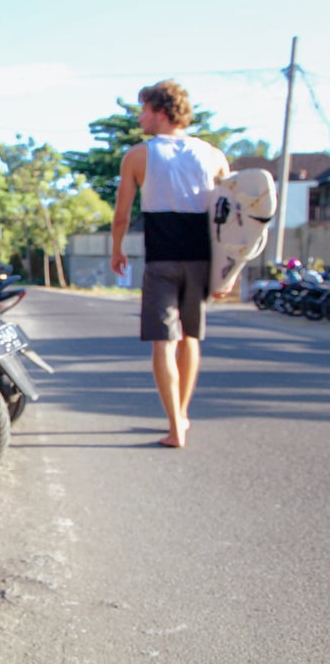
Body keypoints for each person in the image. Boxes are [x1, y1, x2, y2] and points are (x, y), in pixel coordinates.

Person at [110, 79, 230, 448]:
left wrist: (118, 249)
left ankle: (175, 425)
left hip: (161, 259)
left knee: (163, 342)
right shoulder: (213, 155)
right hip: (201, 259)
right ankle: (182, 414)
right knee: (189, 338)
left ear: (161, 112)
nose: (141, 117)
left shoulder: (138, 156)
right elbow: (231, 216)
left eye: (144, 109)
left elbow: (122, 214)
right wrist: (228, 270)